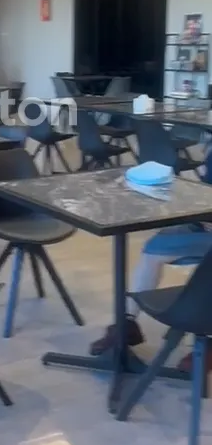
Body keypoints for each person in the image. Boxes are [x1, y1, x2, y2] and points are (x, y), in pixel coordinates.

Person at [90, 145, 212, 371]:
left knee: (162, 252)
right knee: (153, 252)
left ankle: (208, 341)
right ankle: (126, 323)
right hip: (202, 224)